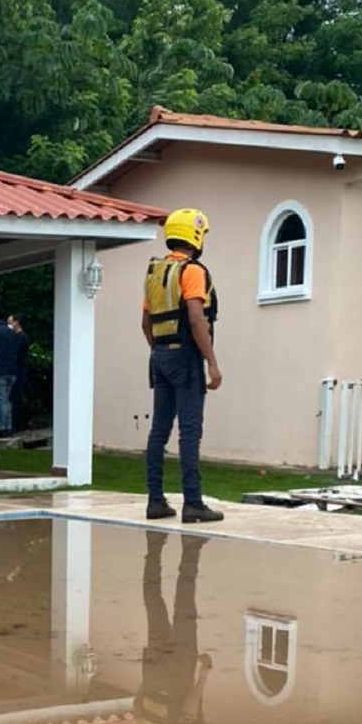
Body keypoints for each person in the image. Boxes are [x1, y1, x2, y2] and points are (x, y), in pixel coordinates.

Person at [142, 207, 224, 524]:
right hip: (185, 357)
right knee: (190, 431)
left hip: (159, 355)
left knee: (159, 430)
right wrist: (212, 363)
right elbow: (196, 318)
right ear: (196, 236)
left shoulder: (155, 273)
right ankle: (193, 503)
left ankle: (156, 501)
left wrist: (159, 352)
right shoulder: (192, 271)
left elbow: (145, 322)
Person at [135, 529, 213, 724]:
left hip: (179, 670)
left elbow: (186, 719)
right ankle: (153, 545)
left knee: (184, 607)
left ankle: (191, 548)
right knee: (154, 604)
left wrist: (203, 675)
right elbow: (138, 707)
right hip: (154, 672)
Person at [7, 314, 30, 432]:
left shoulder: (21, 337)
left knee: (17, 397)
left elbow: (14, 351)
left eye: (10, 323)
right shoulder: (17, 337)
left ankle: (20, 423)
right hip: (16, 370)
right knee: (15, 396)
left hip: (19, 371)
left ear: (17, 323)